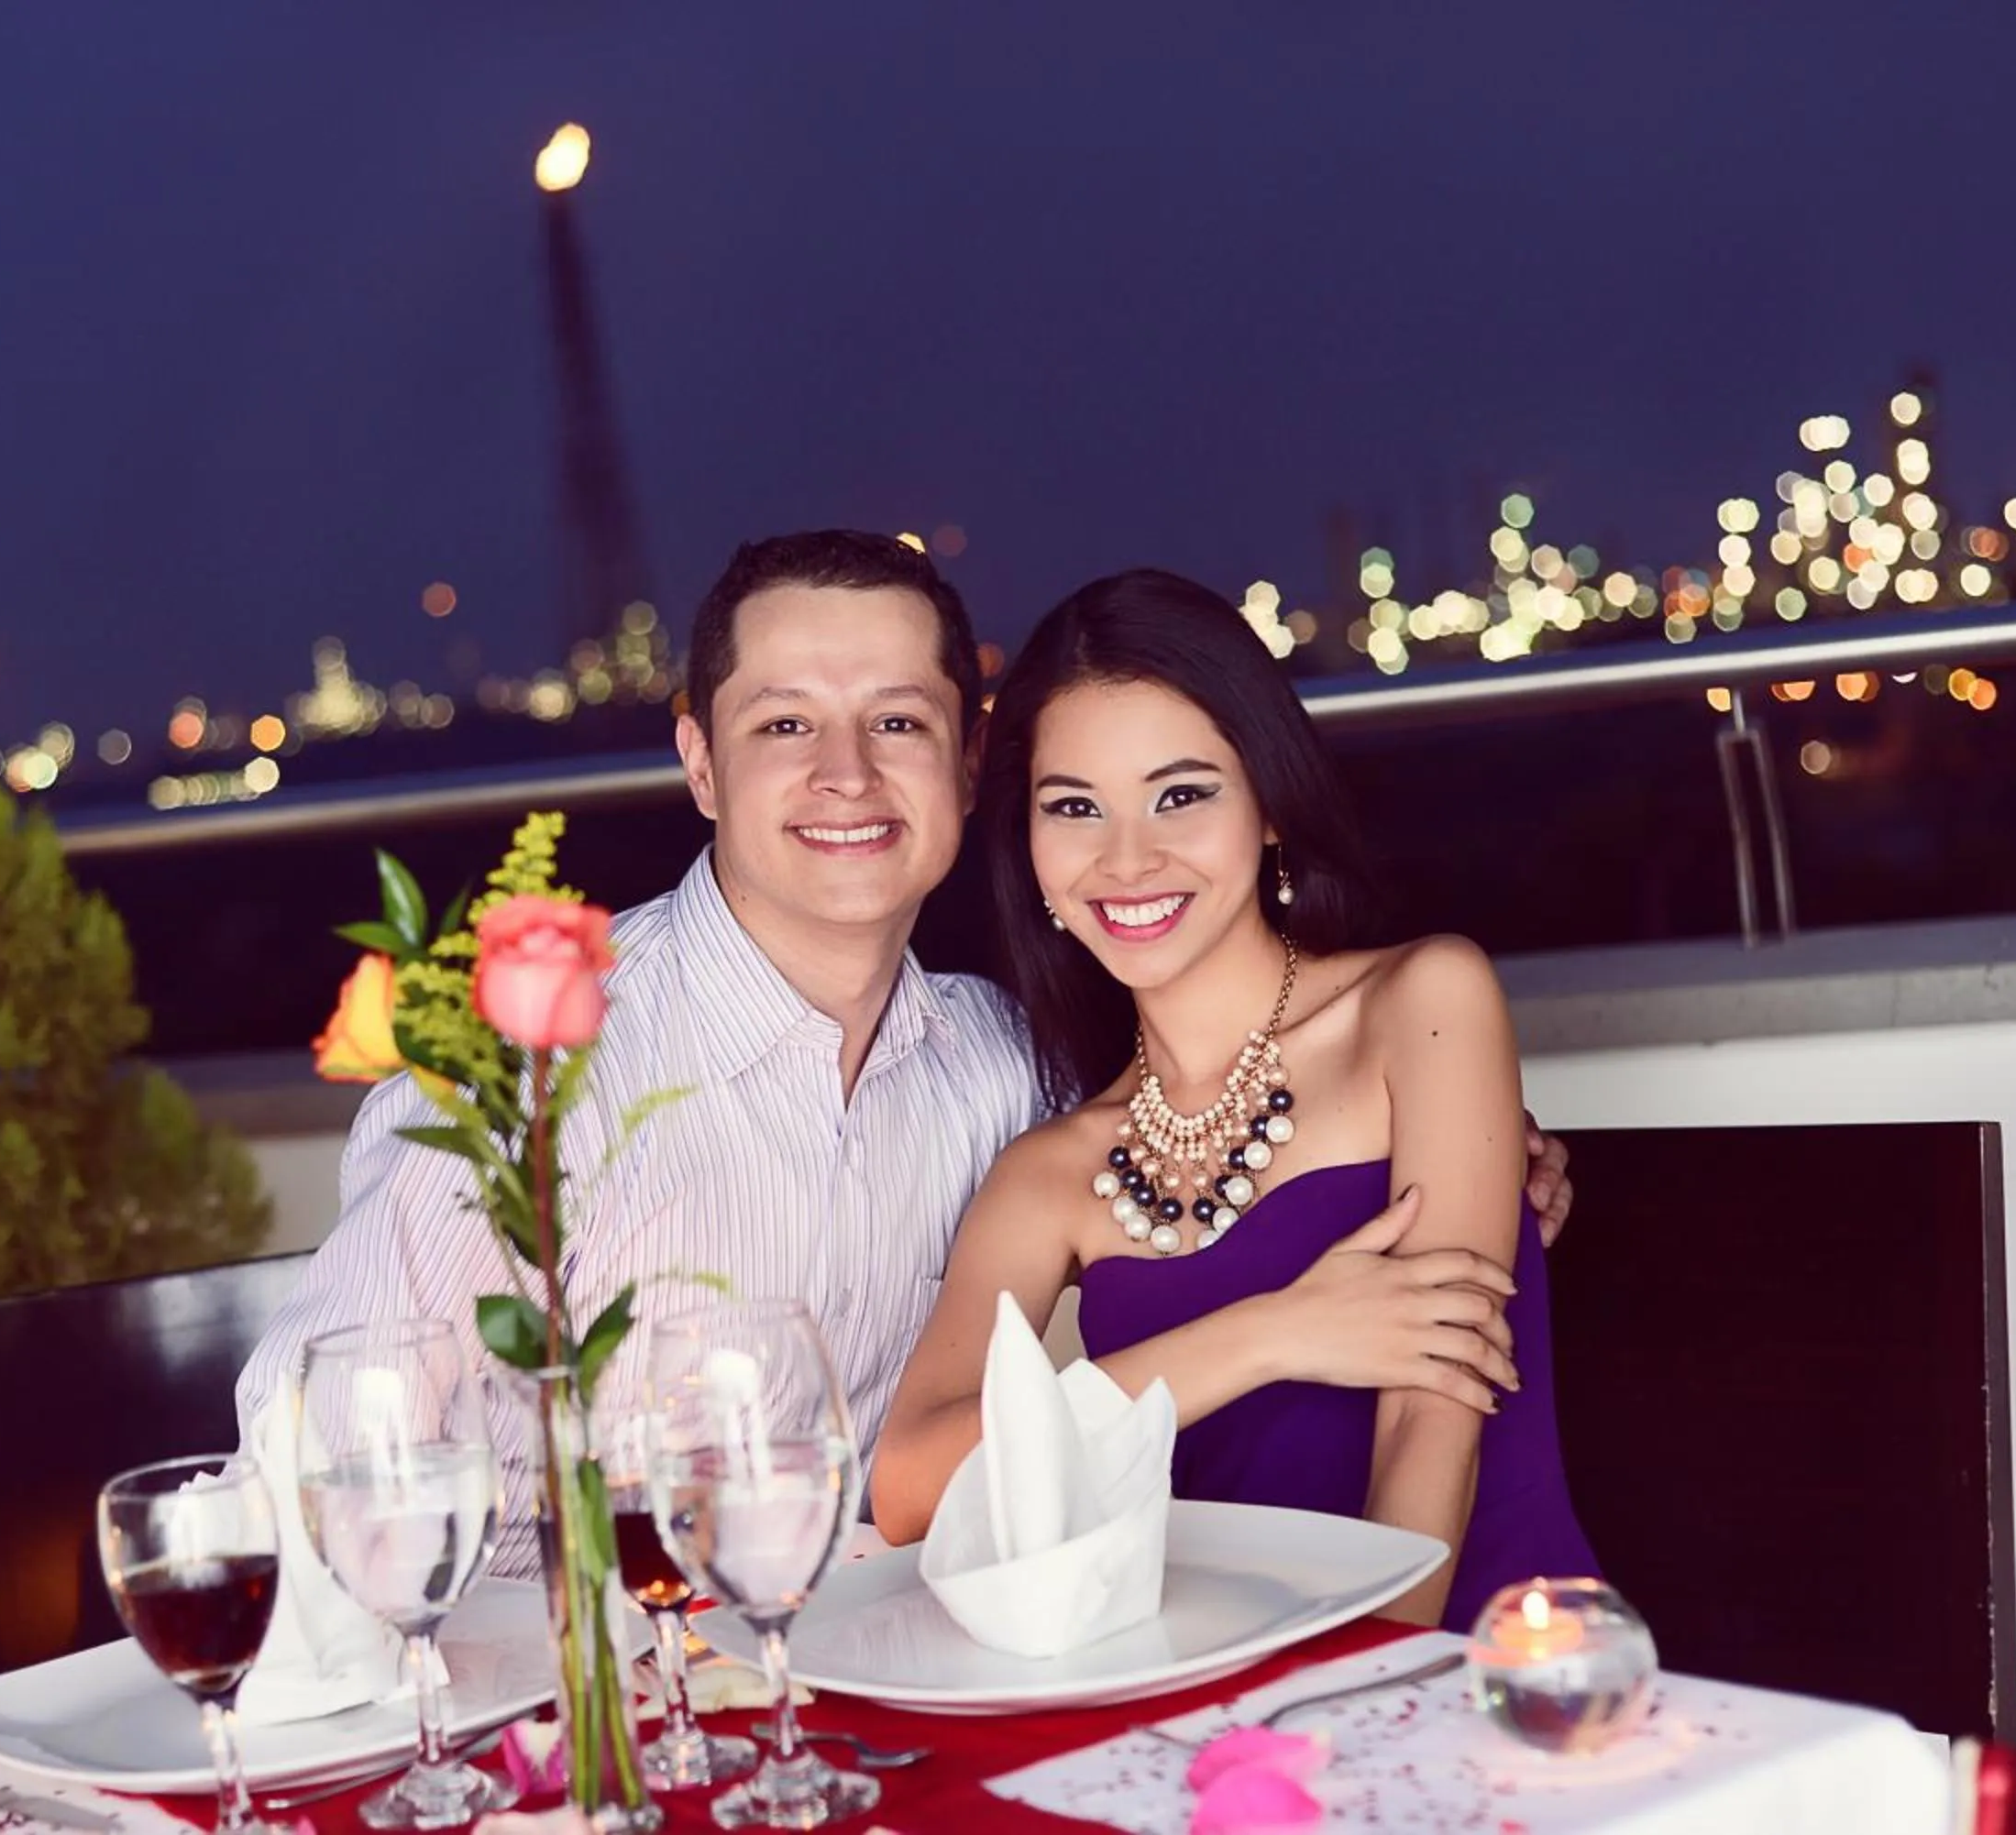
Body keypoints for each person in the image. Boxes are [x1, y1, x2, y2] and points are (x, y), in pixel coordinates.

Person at [235, 533, 1574, 1574]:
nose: (846, 773)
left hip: (886, 1684)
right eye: (782, 725)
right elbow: (311, 1441)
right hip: (570, 1693)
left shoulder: (1003, 1064)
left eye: (895, 721)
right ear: (700, 763)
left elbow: (1227, 1116)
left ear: (965, 762)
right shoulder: (530, 1064)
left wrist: (1479, 1143)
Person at [869, 568, 1596, 1630]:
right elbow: (908, 1487)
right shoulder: (1055, 1169)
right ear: (1027, 848)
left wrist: (1356, 1709)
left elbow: (1428, 1435)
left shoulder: (1424, 1001)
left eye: (1182, 793)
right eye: (1075, 807)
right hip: (1202, 1688)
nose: (1127, 858)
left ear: (1267, 804)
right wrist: (1271, 1333)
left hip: (1476, 1664)